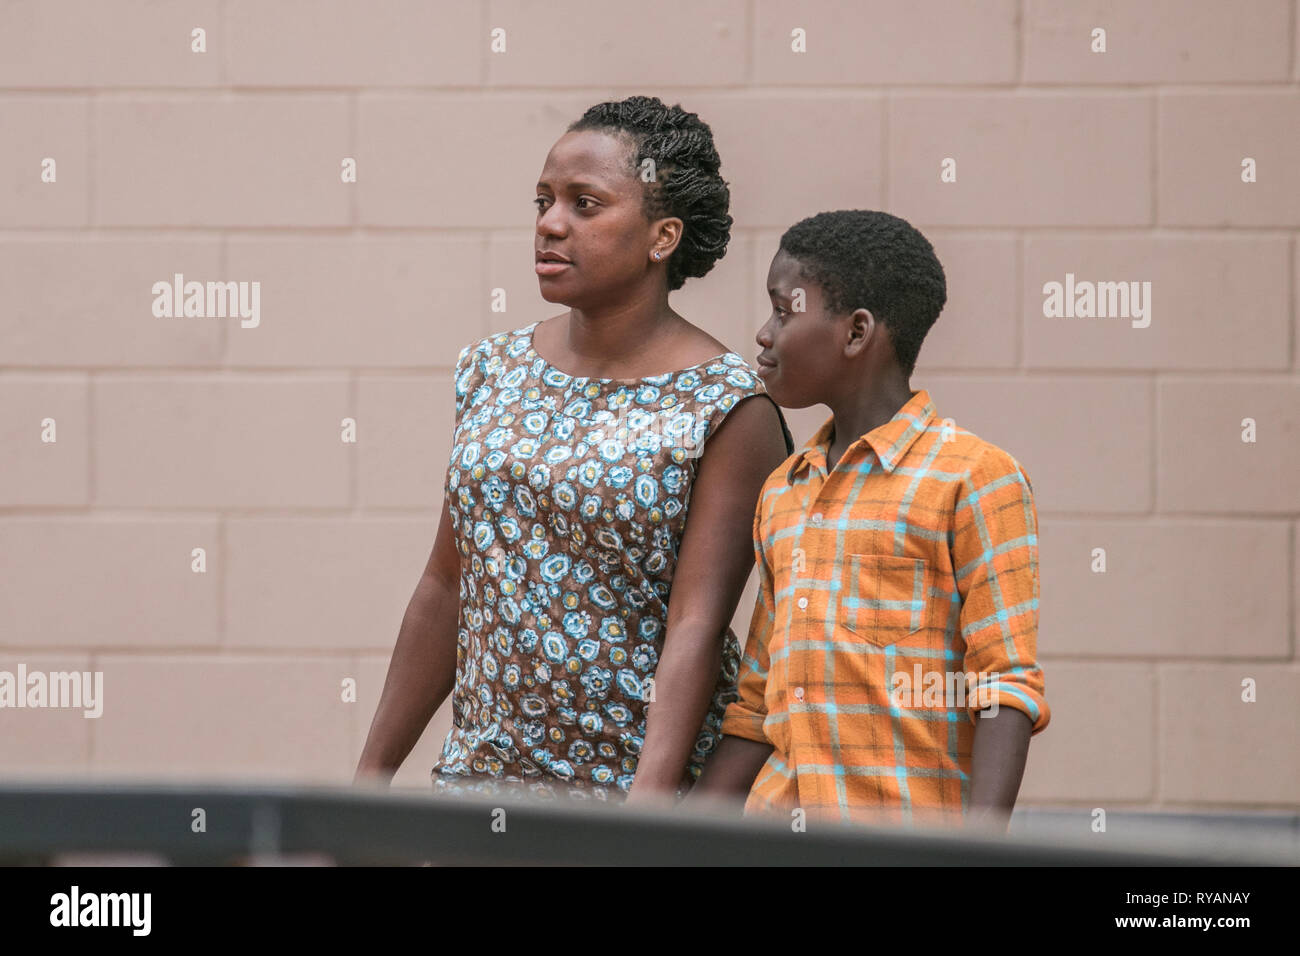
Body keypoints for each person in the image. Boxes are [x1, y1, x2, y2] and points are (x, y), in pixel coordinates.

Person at [355, 95, 793, 805]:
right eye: (543, 201)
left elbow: (697, 623)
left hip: (630, 795)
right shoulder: (492, 370)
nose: (550, 224)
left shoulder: (725, 404)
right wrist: (369, 784)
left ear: (663, 237)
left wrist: (645, 815)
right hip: (481, 785)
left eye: (585, 204)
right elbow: (444, 587)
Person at [691, 210, 1050, 831]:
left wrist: (982, 851)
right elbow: (755, 707)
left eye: (784, 310)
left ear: (857, 332)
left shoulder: (974, 478)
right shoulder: (785, 488)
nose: (764, 333)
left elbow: (1004, 688)